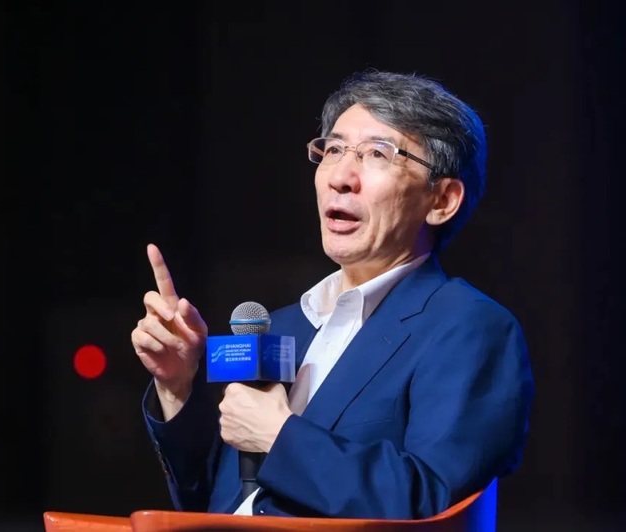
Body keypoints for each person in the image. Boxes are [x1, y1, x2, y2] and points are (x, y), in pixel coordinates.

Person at [130, 69, 535, 519]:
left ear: (441, 201)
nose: (340, 176)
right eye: (334, 150)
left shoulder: (469, 329)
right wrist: (176, 387)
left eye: (378, 154)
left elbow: (432, 501)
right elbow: (217, 505)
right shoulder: (284, 325)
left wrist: (280, 436)